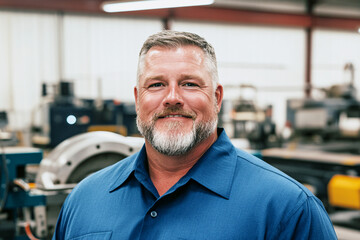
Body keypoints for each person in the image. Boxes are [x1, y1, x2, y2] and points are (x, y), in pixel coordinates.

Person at [53, 30, 337, 239]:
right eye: (156, 85)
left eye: (189, 83)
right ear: (138, 99)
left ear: (216, 98)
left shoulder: (287, 209)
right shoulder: (84, 200)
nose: (172, 98)